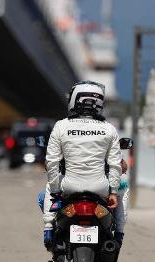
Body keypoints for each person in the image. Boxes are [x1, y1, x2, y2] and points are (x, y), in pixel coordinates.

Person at [43, 81, 122, 249]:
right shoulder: (109, 129)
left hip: (69, 186)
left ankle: (48, 228)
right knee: (124, 188)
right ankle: (119, 233)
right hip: (100, 187)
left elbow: (52, 163)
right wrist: (113, 192)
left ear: (74, 99)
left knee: (50, 186)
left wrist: (56, 192)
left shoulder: (61, 126)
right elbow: (115, 165)